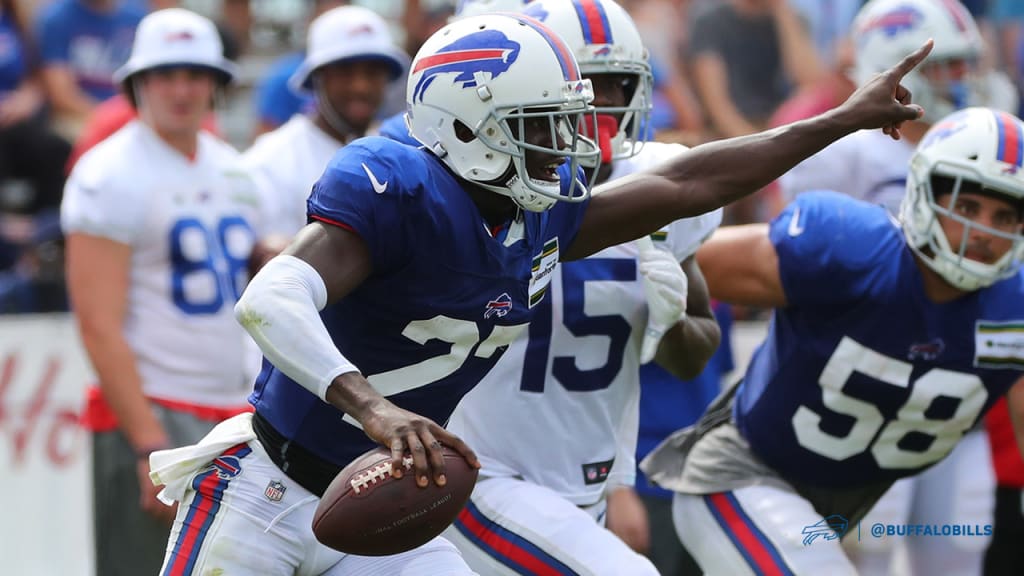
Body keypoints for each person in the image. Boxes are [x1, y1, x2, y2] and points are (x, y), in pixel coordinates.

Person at [148, 9, 932, 574]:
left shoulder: (541, 216)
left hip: (395, 508)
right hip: (265, 486)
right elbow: (272, 296)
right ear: (465, 124)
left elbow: (694, 179)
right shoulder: (399, 190)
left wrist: (843, 119)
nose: (569, 147)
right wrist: (375, 409)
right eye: (543, 126)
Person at [641, 105, 1024, 575]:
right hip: (739, 476)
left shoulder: (1015, 305)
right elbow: (681, 260)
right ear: (923, 193)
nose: (981, 231)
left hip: (834, 511)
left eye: (1003, 215)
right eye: (966, 206)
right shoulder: (853, 249)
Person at [432, 1, 719, 574]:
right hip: (480, 473)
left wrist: (671, 321)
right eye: (589, 86)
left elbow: (692, 356)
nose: (606, 105)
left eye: (619, 85)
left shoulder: (659, 190)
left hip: (582, 485)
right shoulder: (480, 186)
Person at [59, 9, 274, 576]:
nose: (182, 89)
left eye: (196, 74)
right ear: (138, 83)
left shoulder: (235, 170)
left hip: (235, 410)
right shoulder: (108, 172)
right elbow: (98, 323)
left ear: (216, 83)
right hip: (158, 408)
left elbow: (253, 273)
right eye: (166, 74)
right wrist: (145, 444)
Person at [243, 4, 409, 237]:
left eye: (372, 72)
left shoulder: (402, 154)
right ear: (317, 79)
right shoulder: (270, 161)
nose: (360, 86)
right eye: (345, 72)